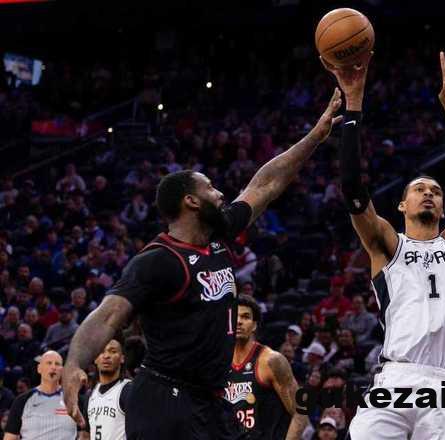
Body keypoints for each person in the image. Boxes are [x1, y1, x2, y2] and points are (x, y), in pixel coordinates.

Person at [62, 89, 344, 440]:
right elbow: (108, 315)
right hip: (164, 399)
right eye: (210, 188)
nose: (221, 194)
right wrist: (74, 363)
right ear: (191, 202)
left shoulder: (218, 232)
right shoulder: (159, 260)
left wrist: (315, 136)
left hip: (210, 398)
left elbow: (266, 184)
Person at [325, 50, 445, 439]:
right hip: (396, 375)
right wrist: (354, 103)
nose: (429, 194)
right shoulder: (388, 245)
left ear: (443, 207)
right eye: (420, 189)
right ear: (402, 205)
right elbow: (352, 189)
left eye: (436, 191)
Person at [223, 295, 308, 439]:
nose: (239, 321)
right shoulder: (218, 363)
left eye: (245, 317)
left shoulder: (271, 361)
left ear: (254, 325)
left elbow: (300, 413)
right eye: (235, 316)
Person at [4, 351, 77, 440]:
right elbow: (10, 437)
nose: (53, 367)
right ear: (39, 369)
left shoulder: (74, 399)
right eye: (49, 363)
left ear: (62, 370)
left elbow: (84, 434)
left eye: (57, 364)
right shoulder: (22, 401)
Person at [81, 339, 132, 440]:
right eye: (101, 352)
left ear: (122, 359)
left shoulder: (128, 390)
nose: (106, 356)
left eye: (113, 351)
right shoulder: (90, 395)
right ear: (95, 359)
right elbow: (86, 434)